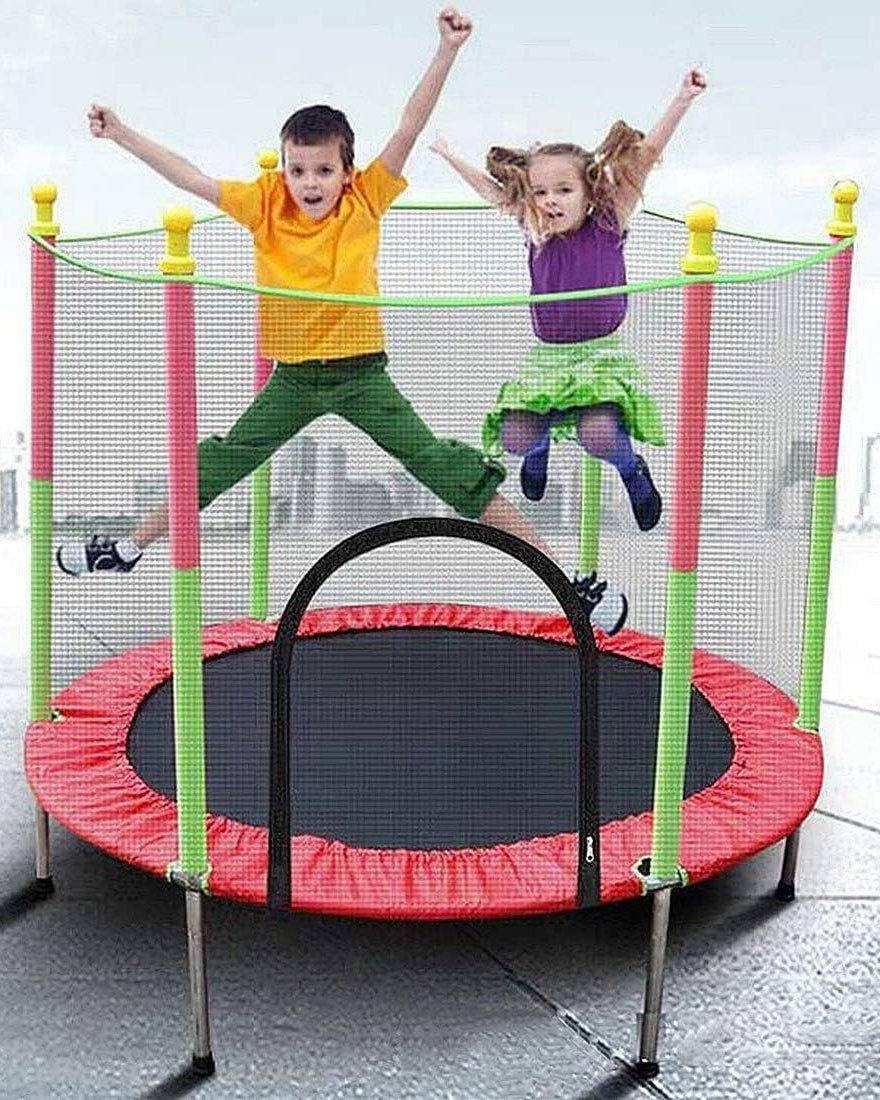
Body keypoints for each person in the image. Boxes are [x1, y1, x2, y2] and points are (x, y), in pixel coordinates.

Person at [56, 8, 628, 635]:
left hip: (362, 377)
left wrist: (446, 50)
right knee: (219, 460)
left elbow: (411, 124)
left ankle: (568, 583)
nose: (310, 182)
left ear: (346, 172)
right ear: (283, 168)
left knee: (443, 464)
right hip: (293, 380)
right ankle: (127, 549)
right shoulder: (263, 203)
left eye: (324, 170)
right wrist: (122, 134)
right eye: (298, 169)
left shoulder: (366, 199)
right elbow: (188, 175)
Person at [430, 68, 707, 526]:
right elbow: (492, 191)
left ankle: (632, 470)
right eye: (541, 192)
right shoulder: (533, 227)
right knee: (517, 437)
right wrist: (448, 155)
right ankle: (538, 452)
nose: (551, 200)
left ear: (588, 192)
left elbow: (645, 156)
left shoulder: (608, 221)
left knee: (597, 433)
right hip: (548, 358)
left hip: (598, 356)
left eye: (563, 190)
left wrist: (682, 98)